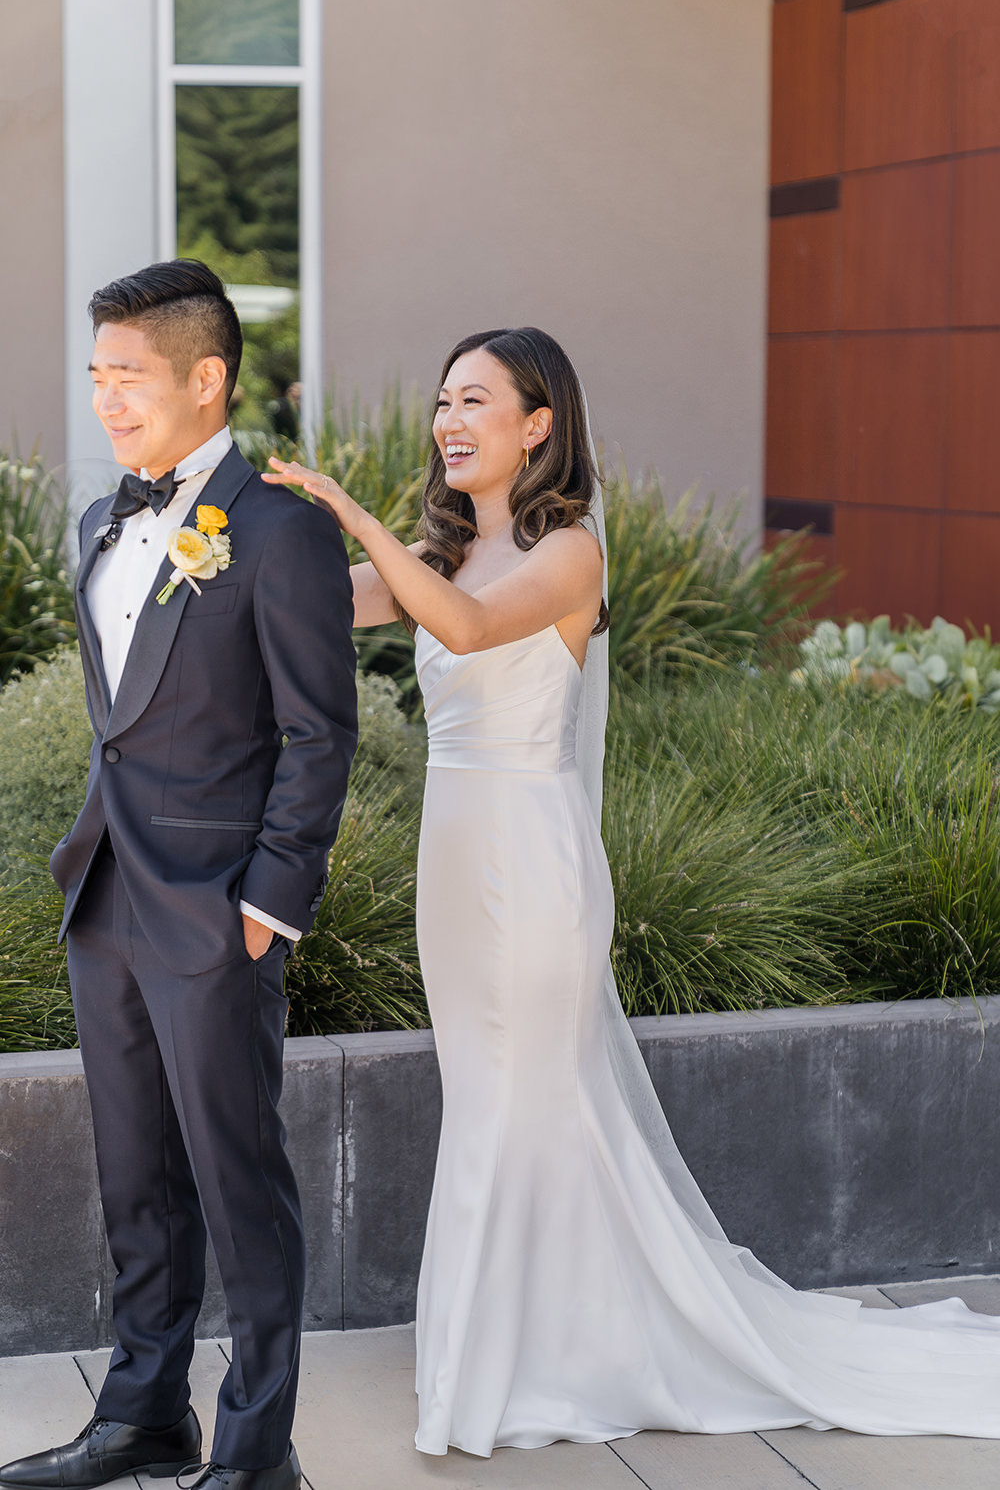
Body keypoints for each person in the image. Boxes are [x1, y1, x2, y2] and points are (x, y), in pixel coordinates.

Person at [265, 324, 1000, 1459]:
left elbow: (456, 627)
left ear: (538, 423)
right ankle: (524, 1345)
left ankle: (517, 1364)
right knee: (494, 1102)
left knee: (525, 1102)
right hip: (454, 865)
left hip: (530, 861)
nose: (447, 422)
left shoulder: (568, 556)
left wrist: (352, 514)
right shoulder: (448, 549)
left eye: (473, 400)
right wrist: (225, 547)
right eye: (441, 403)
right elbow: (322, 602)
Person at [0, 260, 357, 1490]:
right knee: (135, 1177)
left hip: (217, 912)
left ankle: (258, 1452)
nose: (107, 399)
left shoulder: (280, 532)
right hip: (107, 894)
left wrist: (269, 903)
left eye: (129, 376)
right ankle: (144, 1412)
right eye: (96, 376)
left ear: (206, 379)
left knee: (234, 1174)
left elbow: (321, 731)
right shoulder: (106, 517)